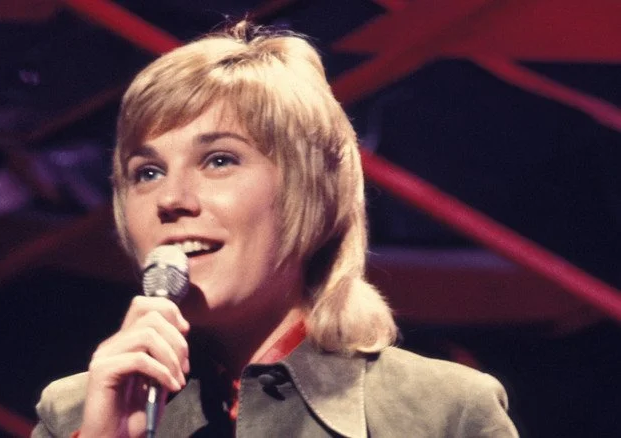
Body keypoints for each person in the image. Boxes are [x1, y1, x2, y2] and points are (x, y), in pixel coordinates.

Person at [31, 21, 518, 438]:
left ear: (310, 192)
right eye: (147, 172)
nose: (171, 200)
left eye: (219, 160)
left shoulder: (442, 414)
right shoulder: (73, 413)